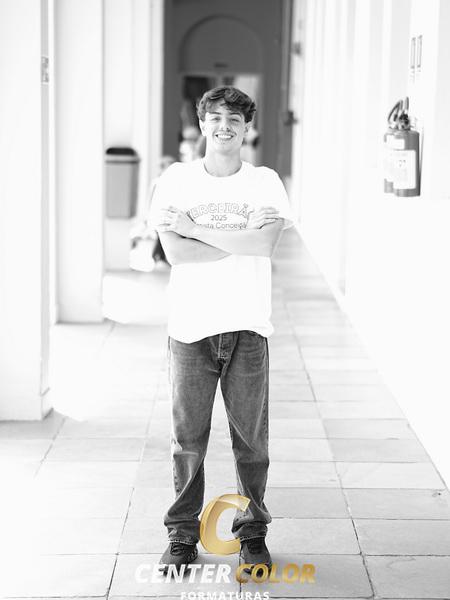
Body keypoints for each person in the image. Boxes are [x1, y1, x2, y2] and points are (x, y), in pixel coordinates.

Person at [149, 86, 294, 573]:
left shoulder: (265, 182)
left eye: (234, 118)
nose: (224, 126)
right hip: (190, 328)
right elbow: (176, 253)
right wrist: (241, 237)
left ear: (247, 127)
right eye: (215, 117)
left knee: (251, 444)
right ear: (202, 124)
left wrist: (196, 228)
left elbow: (265, 246)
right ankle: (181, 535)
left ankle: (252, 533)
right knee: (187, 441)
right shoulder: (176, 180)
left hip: (248, 326)